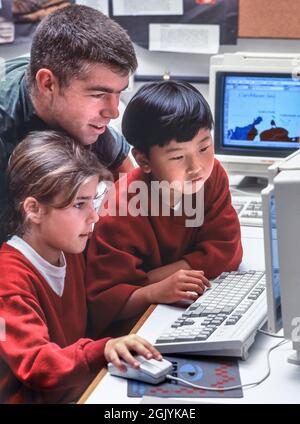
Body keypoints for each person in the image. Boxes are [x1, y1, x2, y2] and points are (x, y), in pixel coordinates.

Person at [0, 130, 162, 404]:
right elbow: (39, 364)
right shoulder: (8, 280)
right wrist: (103, 349)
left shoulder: (70, 248)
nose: (94, 216)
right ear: (34, 209)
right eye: (79, 204)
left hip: (82, 392)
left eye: (92, 201)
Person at [86, 80, 243, 339]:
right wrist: (154, 290)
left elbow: (227, 251)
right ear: (143, 159)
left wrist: (155, 276)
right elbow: (106, 302)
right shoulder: (122, 208)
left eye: (204, 148)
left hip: (186, 308)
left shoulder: (213, 176)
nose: (196, 167)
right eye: (178, 157)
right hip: (135, 332)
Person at [0, 4, 137, 223]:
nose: (113, 112)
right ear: (48, 84)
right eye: (99, 94)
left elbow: (129, 182)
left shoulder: (77, 116)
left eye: (118, 93)